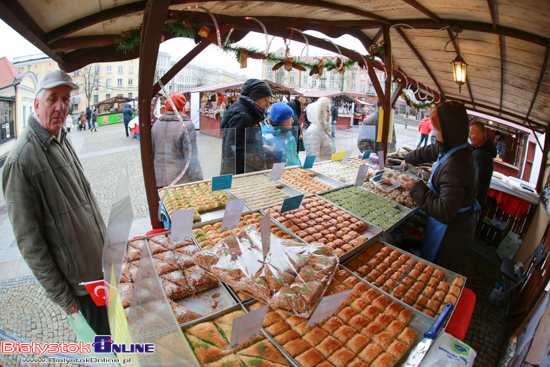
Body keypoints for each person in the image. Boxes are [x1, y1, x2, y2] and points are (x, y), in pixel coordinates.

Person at [2, 70, 108, 335]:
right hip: (81, 285)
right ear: (37, 104)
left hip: (100, 271)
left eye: (66, 99)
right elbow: (30, 242)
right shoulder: (21, 159)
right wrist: (62, 296)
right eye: (52, 99)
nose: (61, 106)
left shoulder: (60, 137)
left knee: (116, 338)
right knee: (105, 349)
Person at [398, 101, 477, 273]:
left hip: (451, 233)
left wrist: (416, 188)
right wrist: (408, 158)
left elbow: (445, 211)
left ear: (448, 130)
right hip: (455, 223)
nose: (434, 132)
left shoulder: (456, 166)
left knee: (437, 271)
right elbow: (432, 150)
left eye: (436, 128)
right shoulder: (456, 145)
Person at [220, 79, 273, 175]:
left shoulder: (250, 113)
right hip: (239, 173)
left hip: (246, 170)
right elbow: (233, 150)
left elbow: (245, 143)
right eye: (265, 100)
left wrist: (262, 148)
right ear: (255, 97)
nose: (267, 104)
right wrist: (255, 161)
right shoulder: (242, 116)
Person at [152, 93, 203, 188]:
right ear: (182, 106)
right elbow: (191, 157)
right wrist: (198, 181)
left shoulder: (156, 124)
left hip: (157, 177)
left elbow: (152, 152)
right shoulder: (187, 125)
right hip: (177, 179)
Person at [262, 102, 300, 168]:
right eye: (290, 118)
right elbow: (264, 163)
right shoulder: (266, 137)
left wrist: (298, 167)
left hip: (290, 175)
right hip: (273, 175)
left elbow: (295, 156)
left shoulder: (290, 137)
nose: (293, 121)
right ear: (281, 119)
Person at [470, 121, 497, 209]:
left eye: (472, 133)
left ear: (480, 136)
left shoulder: (481, 155)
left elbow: (476, 182)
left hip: (472, 204)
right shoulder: (479, 151)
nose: (469, 136)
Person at [304, 97, 334, 161]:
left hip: (327, 167)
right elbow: (313, 158)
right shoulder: (313, 131)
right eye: (327, 111)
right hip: (321, 169)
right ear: (319, 113)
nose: (329, 114)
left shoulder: (323, 128)